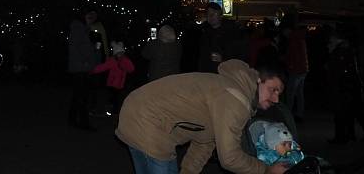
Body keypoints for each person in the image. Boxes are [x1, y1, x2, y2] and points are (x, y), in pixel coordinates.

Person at [116, 59, 290, 174]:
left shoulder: (233, 95)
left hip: (136, 112)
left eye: (279, 94)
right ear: (259, 80)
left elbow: (205, 142)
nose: (275, 98)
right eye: (273, 89)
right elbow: (229, 158)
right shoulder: (235, 99)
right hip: (147, 120)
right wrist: (266, 170)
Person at [67, 8, 99, 130]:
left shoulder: (84, 29)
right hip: (80, 67)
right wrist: (86, 60)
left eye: (94, 17)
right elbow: (79, 49)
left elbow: (85, 48)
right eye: (90, 16)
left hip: (81, 67)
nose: (92, 19)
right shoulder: (78, 28)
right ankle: (83, 123)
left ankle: (73, 120)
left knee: (78, 95)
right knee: (83, 96)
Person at [92, 41, 135, 117]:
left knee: (119, 99)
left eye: (121, 53)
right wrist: (93, 70)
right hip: (112, 84)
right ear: (115, 54)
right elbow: (103, 67)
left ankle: (116, 111)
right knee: (111, 98)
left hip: (121, 84)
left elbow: (131, 69)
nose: (120, 55)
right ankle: (107, 110)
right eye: (118, 53)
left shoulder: (125, 60)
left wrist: (123, 63)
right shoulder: (112, 61)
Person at [198, 1, 243, 73]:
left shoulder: (232, 33)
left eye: (214, 13)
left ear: (220, 15)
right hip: (207, 74)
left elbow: (239, 54)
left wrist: (223, 58)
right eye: (208, 14)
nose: (211, 16)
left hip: (225, 73)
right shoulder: (203, 32)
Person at [281, 16, 309, 122]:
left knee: (290, 93)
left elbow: (293, 56)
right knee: (299, 93)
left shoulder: (293, 40)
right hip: (303, 69)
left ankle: (288, 115)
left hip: (296, 70)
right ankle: (299, 113)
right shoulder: (300, 38)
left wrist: (288, 63)